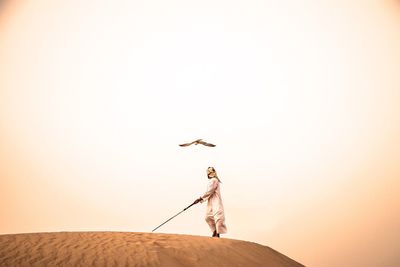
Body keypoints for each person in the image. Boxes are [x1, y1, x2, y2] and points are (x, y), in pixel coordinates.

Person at [194, 167, 227, 238]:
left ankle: (217, 234)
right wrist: (201, 199)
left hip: (216, 201)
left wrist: (200, 198)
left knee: (218, 217)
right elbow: (209, 192)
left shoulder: (214, 180)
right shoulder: (213, 180)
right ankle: (214, 231)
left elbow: (209, 191)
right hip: (210, 201)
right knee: (208, 217)